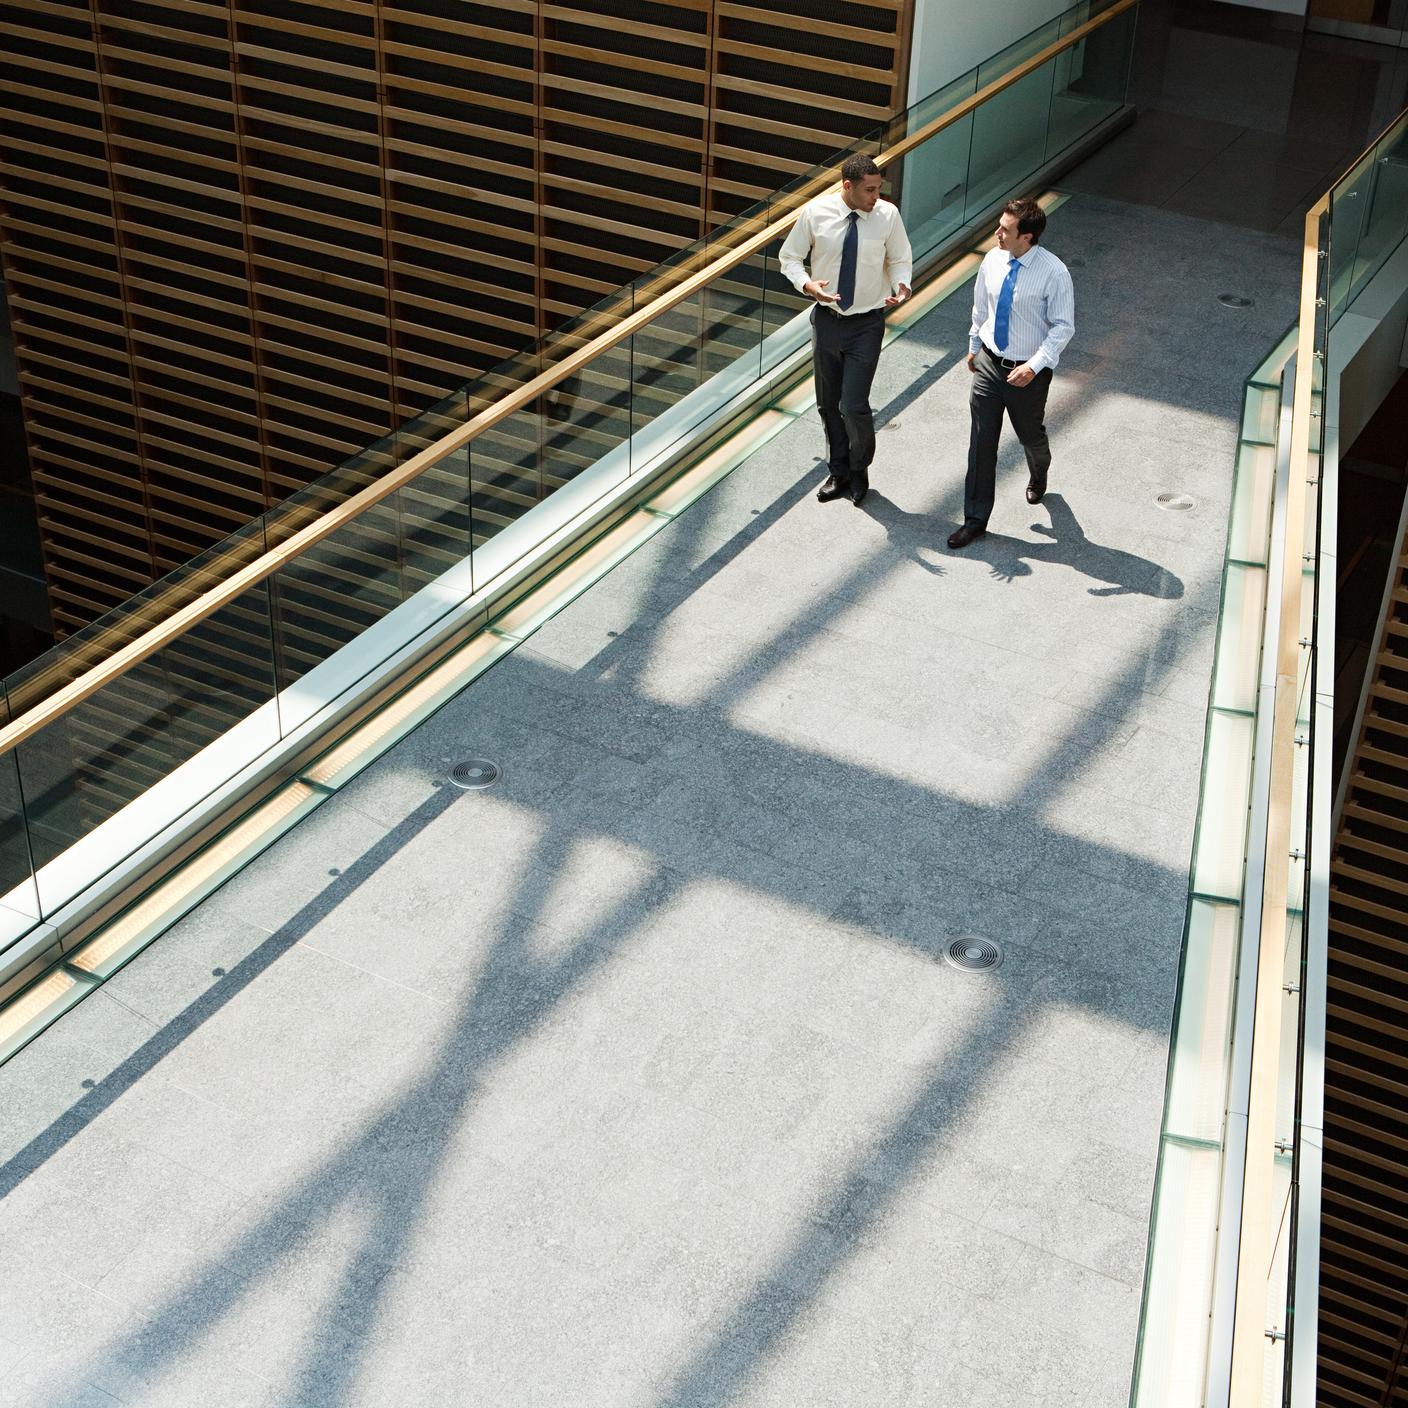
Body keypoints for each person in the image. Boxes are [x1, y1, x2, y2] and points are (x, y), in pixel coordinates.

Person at [779, 154, 912, 508]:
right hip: (826, 320)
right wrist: (808, 286)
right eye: (869, 190)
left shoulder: (887, 216)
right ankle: (838, 471)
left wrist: (902, 285)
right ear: (847, 186)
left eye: (879, 188)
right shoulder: (815, 214)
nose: (876, 196)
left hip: (866, 323)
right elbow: (788, 258)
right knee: (827, 404)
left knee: (852, 405)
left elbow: (900, 258)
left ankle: (859, 469)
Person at [948, 197, 1075, 550]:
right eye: (999, 225)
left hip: (1028, 372)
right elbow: (981, 306)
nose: (997, 234)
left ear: (1028, 237)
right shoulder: (992, 259)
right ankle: (975, 520)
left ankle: (1039, 470)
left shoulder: (1054, 273)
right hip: (990, 364)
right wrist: (974, 346)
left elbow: (1063, 327)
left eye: (1005, 229)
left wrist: (1034, 366)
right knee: (981, 442)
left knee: (1029, 435)